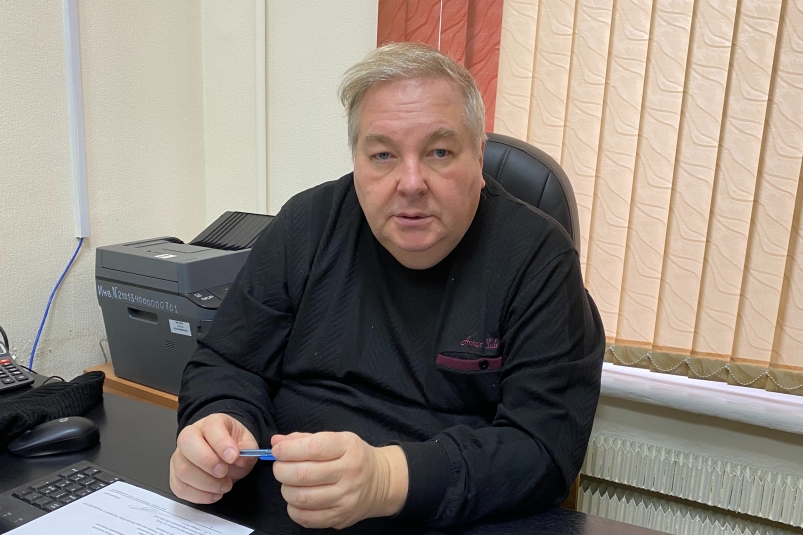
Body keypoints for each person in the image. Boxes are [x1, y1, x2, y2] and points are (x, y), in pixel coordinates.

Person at [171, 42, 605, 530]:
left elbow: (543, 447)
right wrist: (219, 423)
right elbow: (228, 362)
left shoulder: (536, 256)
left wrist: (387, 478)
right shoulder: (306, 225)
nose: (411, 182)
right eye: (383, 155)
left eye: (439, 152)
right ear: (357, 160)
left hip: (448, 518)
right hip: (284, 508)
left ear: (479, 158)